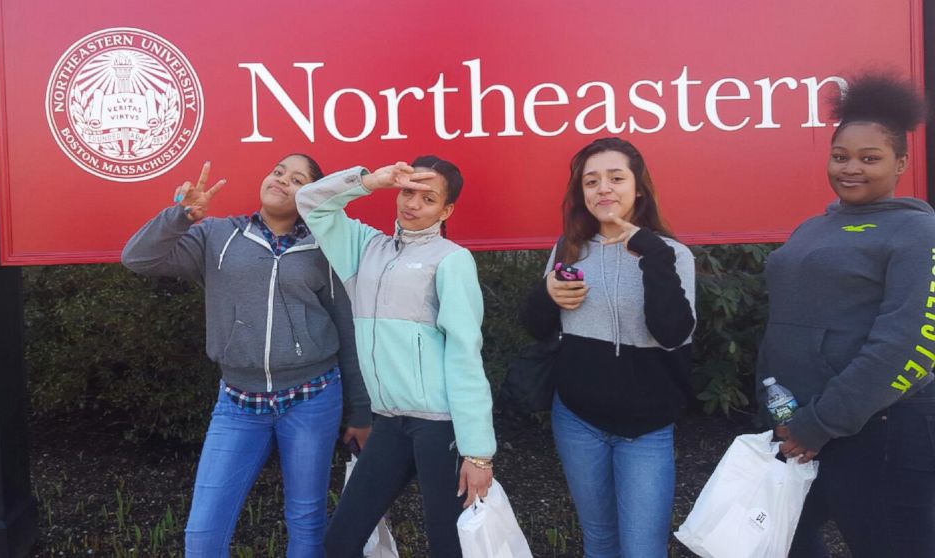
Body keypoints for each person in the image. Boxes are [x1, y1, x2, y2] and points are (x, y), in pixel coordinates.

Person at [121, 155, 371, 558]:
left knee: (307, 523)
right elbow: (138, 258)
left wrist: (360, 413)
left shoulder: (324, 246)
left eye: (297, 179)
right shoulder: (218, 236)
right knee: (203, 533)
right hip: (238, 402)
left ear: (310, 195)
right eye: (277, 172)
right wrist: (182, 216)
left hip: (312, 397)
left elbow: (346, 327)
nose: (282, 180)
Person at [755, 74, 935, 557]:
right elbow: (784, 327)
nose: (851, 168)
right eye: (840, 156)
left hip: (882, 432)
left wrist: (820, 423)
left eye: (869, 158)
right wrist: (781, 414)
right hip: (797, 426)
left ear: (901, 163)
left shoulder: (919, 233)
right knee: (786, 542)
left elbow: (907, 347)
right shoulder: (813, 227)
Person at [295, 156, 496, 558]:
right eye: (408, 191)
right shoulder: (364, 248)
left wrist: (478, 451)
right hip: (388, 422)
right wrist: (371, 181)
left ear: (447, 210)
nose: (413, 203)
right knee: (340, 541)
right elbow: (310, 202)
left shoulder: (451, 259)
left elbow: (464, 354)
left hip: (441, 427)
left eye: (428, 197)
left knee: (449, 545)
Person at [522, 137, 696, 558]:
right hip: (578, 421)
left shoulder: (671, 253)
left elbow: (672, 332)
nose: (603, 189)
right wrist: (546, 294)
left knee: (643, 548)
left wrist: (650, 253)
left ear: (638, 188)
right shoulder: (569, 250)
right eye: (591, 181)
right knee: (599, 541)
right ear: (581, 193)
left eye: (616, 178)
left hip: (647, 429)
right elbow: (536, 326)